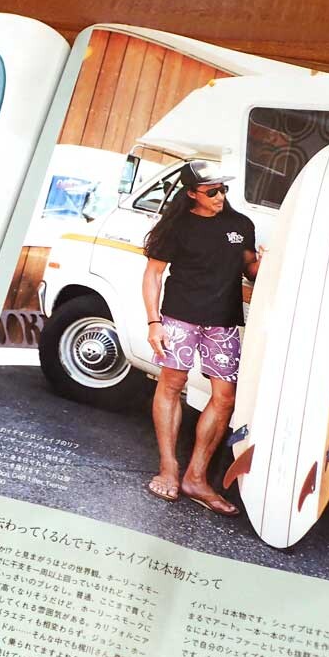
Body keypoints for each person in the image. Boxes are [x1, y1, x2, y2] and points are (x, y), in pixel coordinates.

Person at [142, 160, 261, 515]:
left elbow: (250, 269)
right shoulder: (177, 227)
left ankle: (196, 477)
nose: (220, 196)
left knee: (225, 398)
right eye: (212, 191)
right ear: (192, 193)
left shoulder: (241, 225)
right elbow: (153, 275)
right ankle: (169, 468)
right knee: (172, 385)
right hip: (179, 317)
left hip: (222, 322)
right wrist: (154, 322)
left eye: (223, 189)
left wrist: (266, 264)